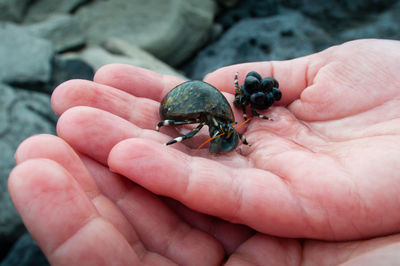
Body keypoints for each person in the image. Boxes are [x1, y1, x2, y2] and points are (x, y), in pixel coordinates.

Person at [8, 39, 400, 265]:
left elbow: (224, 124)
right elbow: (203, 125)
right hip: (185, 106)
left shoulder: (226, 117)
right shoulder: (212, 117)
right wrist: (173, 135)